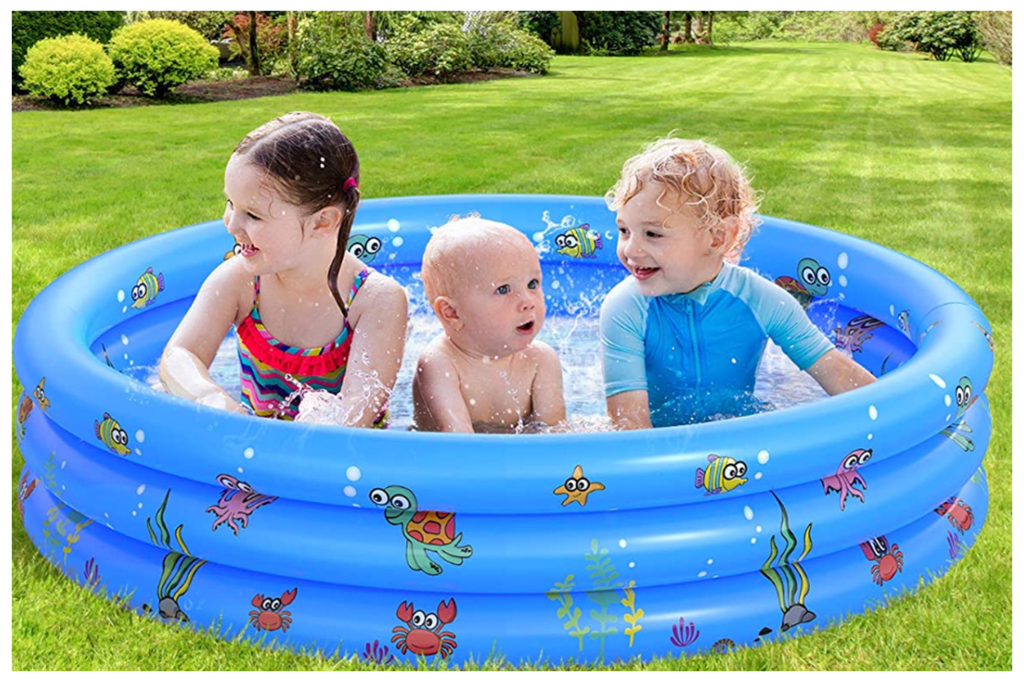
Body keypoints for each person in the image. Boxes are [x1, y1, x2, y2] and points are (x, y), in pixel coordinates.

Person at [601, 138, 875, 429]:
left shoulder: (761, 299)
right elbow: (629, 426)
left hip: (737, 449)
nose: (630, 250)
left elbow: (838, 373)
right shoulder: (625, 308)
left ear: (718, 238)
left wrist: (892, 413)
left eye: (652, 234)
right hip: (664, 448)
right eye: (624, 230)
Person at [160, 112, 408, 426]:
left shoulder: (375, 301)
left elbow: (353, 418)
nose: (231, 224)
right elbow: (179, 356)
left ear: (323, 221)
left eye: (253, 214)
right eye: (230, 204)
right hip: (253, 456)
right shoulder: (241, 281)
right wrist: (210, 399)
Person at [413, 216, 566, 433]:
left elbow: (554, 440)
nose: (528, 302)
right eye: (503, 289)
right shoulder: (440, 363)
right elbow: (459, 445)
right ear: (452, 313)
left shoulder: (541, 360)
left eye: (533, 284)